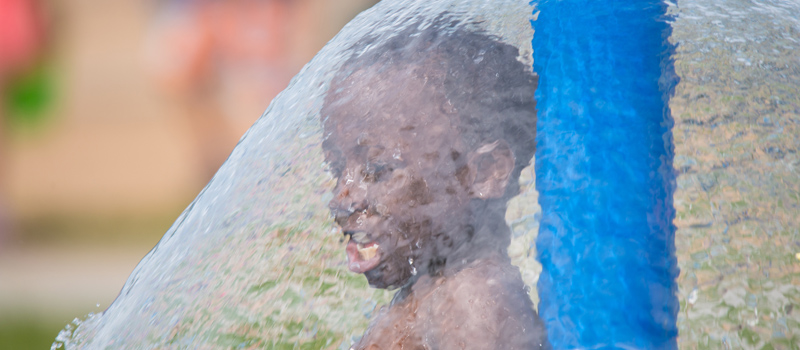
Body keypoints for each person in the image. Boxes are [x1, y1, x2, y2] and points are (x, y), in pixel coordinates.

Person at [321, 23, 550, 350]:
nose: (341, 199)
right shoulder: (434, 291)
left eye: (378, 169)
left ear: (485, 172)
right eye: (337, 168)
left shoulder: (475, 307)